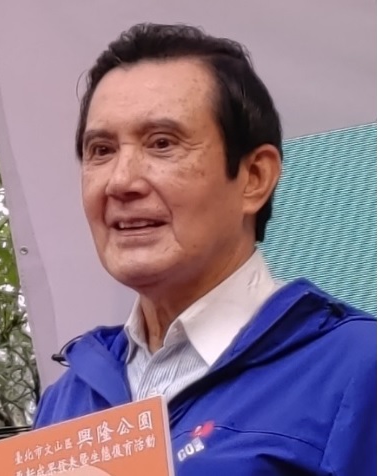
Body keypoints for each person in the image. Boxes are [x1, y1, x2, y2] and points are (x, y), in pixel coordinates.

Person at [33, 23, 376, 475]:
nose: (121, 181)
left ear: (254, 177)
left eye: (162, 143)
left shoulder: (359, 366)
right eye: (101, 150)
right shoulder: (69, 395)